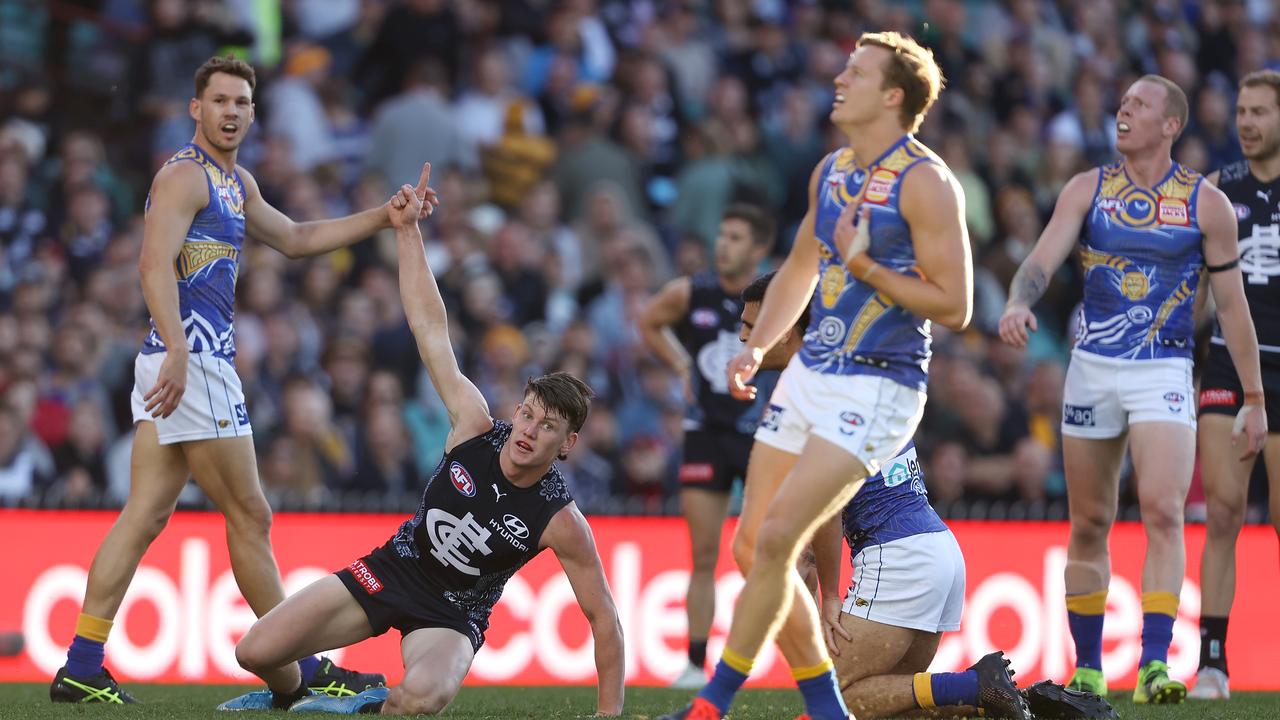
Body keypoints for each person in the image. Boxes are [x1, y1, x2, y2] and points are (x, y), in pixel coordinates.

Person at [216, 166, 625, 715]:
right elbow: (430, 330)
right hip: (391, 570)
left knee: (423, 698)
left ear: (568, 443)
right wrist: (406, 231)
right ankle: (292, 696)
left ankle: (363, 707)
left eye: (547, 426)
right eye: (528, 415)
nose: (528, 431)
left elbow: (604, 618)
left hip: (450, 617)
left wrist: (609, 714)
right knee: (255, 650)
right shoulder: (475, 427)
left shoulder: (558, 517)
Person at [49, 55, 393, 704]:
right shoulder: (185, 175)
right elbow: (152, 265)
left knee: (145, 515)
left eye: (243, 102)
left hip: (183, 360)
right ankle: (300, 671)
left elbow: (294, 237)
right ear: (196, 109)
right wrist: (179, 348)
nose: (232, 111)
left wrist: (382, 217)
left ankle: (82, 664)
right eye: (221, 101)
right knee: (250, 514)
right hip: (194, 362)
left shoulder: (234, 182)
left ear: (253, 113)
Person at [662, 31, 985, 720]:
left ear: (893, 96)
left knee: (781, 536)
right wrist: (759, 347)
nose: (839, 78)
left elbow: (957, 306)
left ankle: (709, 706)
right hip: (813, 372)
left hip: (881, 382)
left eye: (856, 71)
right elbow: (799, 270)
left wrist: (866, 268)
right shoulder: (832, 170)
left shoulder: (926, 182)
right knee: (752, 546)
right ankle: (828, 710)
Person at [998, 74, 1268, 705]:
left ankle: (1152, 665)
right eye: (1121, 103)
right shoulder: (1087, 189)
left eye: (1139, 105)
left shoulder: (1206, 204)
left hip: (1164, 370)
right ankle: (1088, 667)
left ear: (1171, 124)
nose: (1124, 110)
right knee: (1089, 520)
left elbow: (1232, 307)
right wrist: (1017, 300)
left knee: (1164, 512)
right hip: (1092, 366)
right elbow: (1042, 260)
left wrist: (1253, 397)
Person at [741, 272, 1109, 720]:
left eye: (751, 326)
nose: (743, 337)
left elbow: (829, 503)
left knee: (831, 699)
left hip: (898, 558)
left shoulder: (809, 389)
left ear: (788, 327)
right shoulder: (855, 371)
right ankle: (1028, 706)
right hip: (934, 548)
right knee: (895, 708)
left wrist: (830, 595)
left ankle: (975, 683)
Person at [638, 203, 775, 688]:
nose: (723, 244)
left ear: (758, 248)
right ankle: (697, 664)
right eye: (721, 234)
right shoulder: (690, 291)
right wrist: (680, 367)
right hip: (704, 433)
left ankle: (778, 657)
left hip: (762, 432)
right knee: (701, 554)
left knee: (767, 550)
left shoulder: (777, 296)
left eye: (736, 237)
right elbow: (649, 320)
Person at [1190, 68, 1280, 701]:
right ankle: (1213, 661)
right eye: (1242, 111)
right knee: (1221, 510)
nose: (1246, 122)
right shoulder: (1220, 189)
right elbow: (1197, 287)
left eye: (1260, 112)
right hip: (1227, 363)